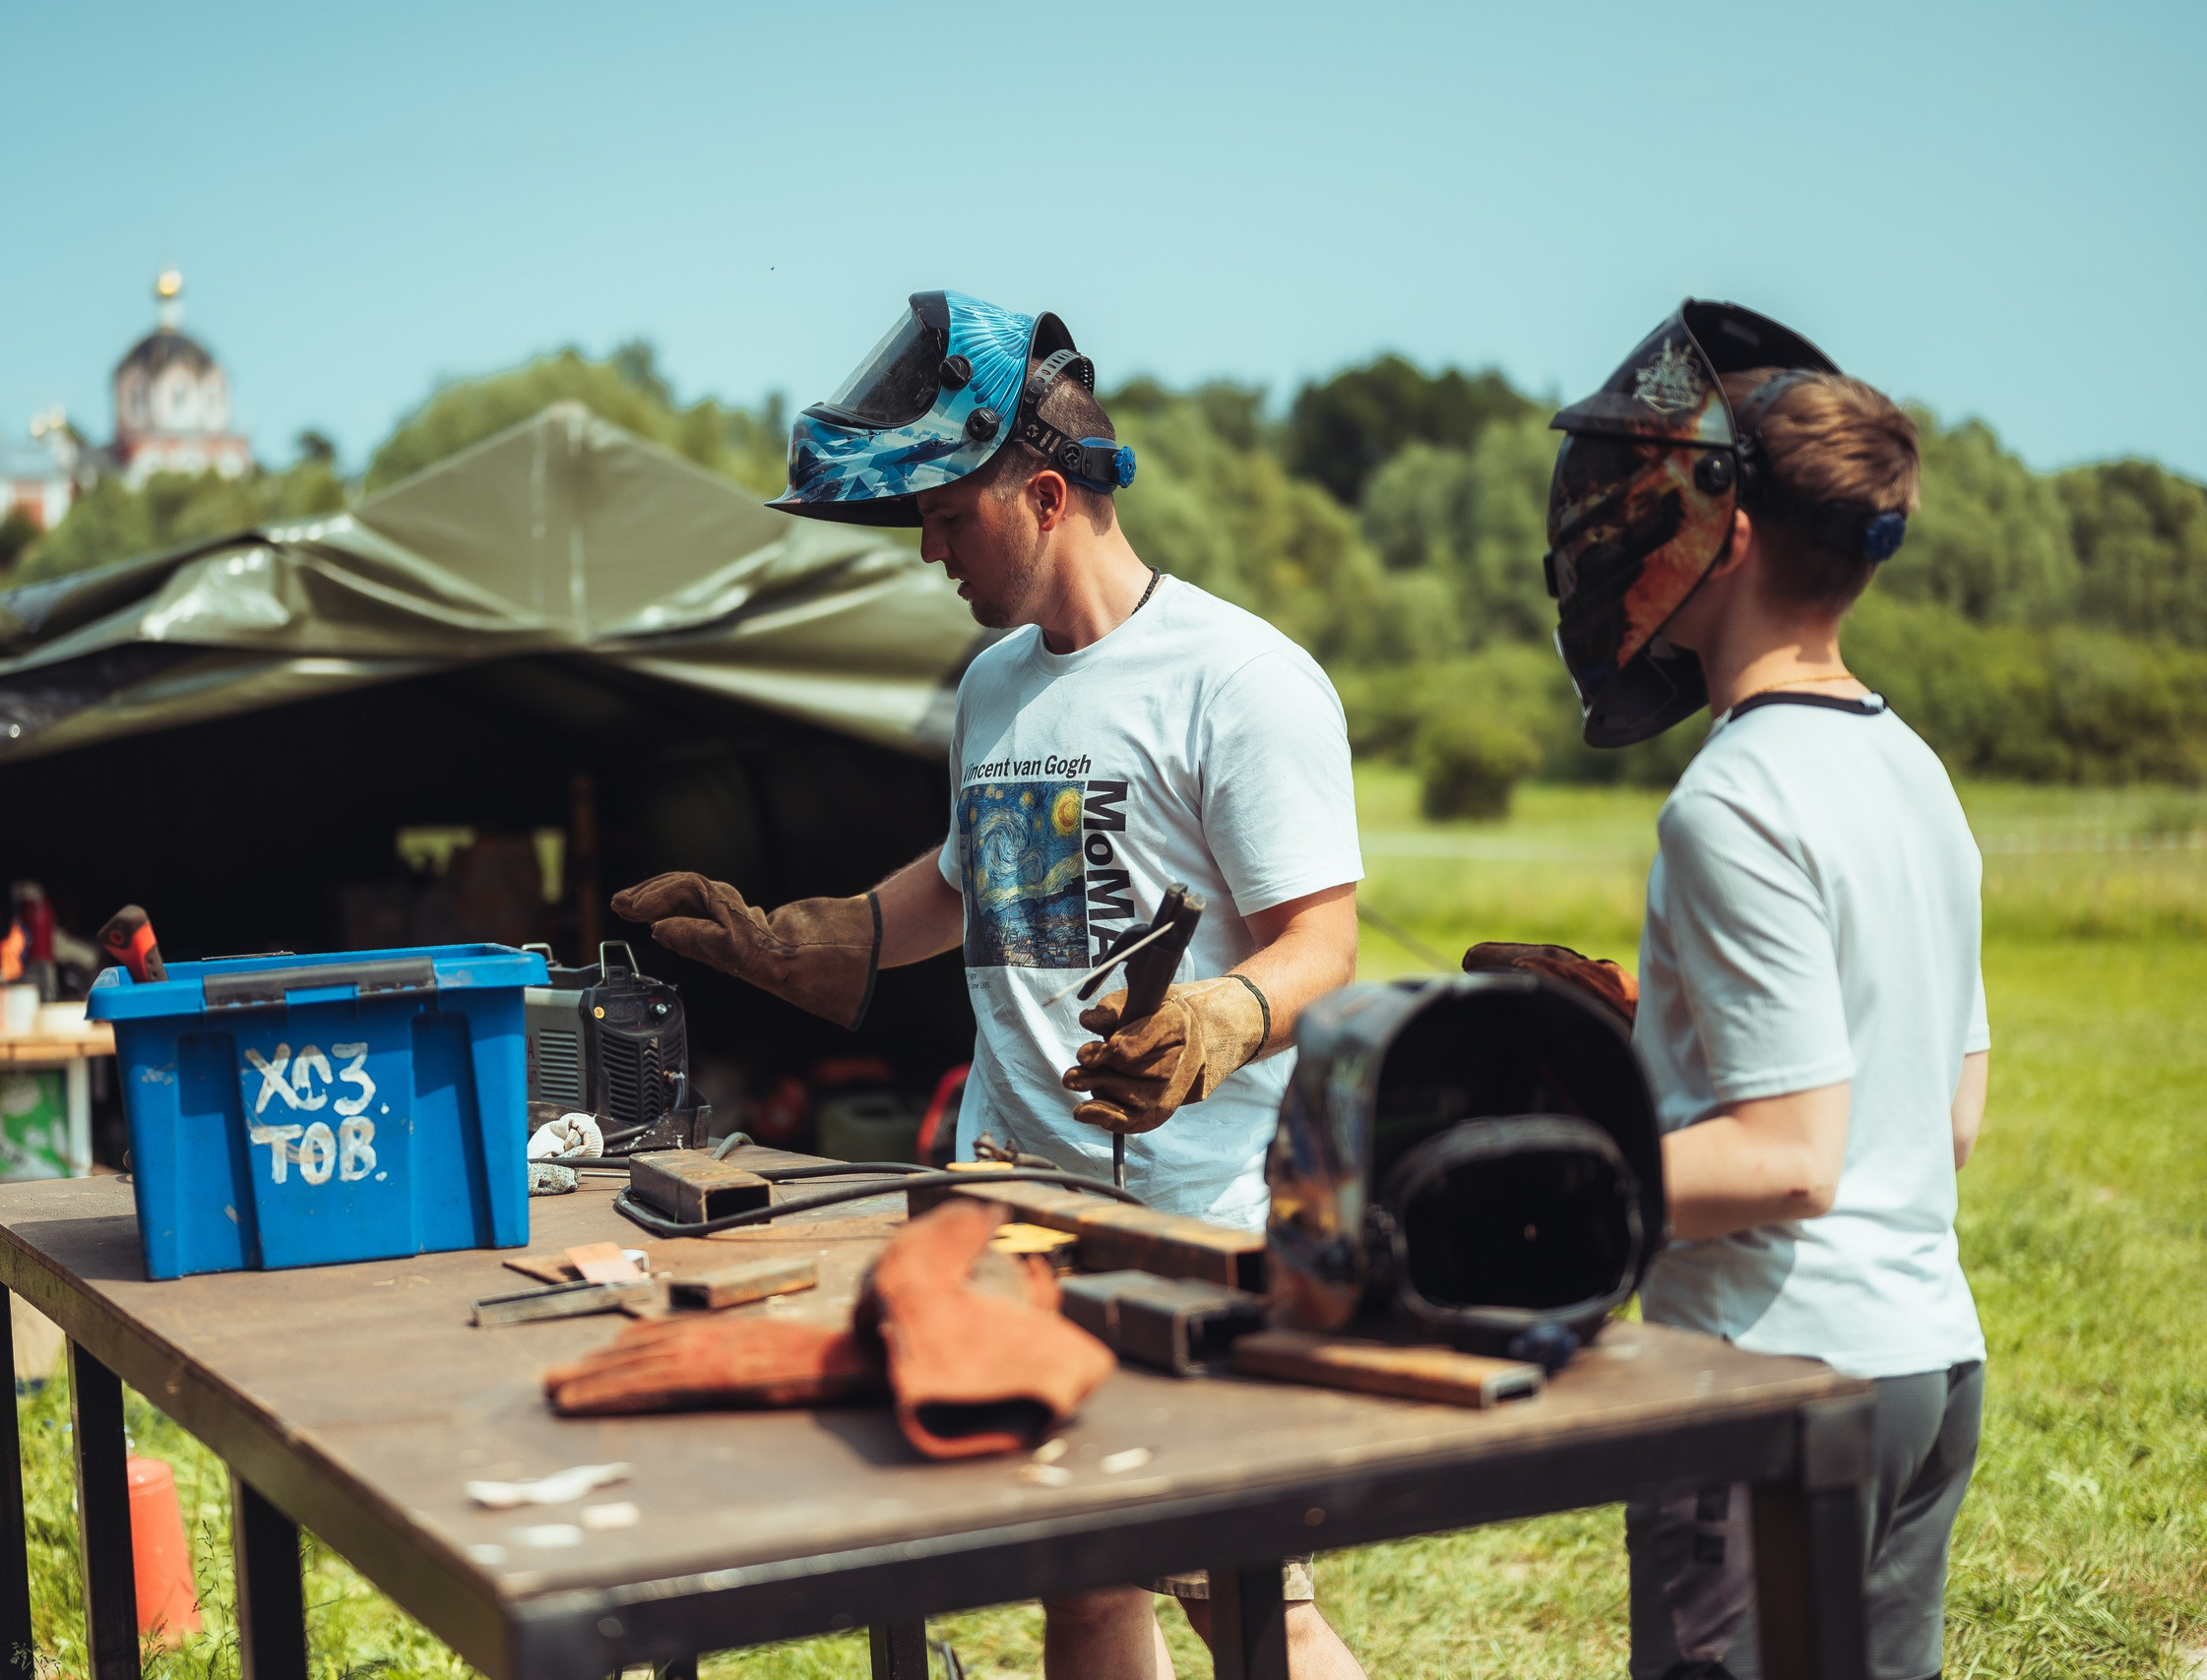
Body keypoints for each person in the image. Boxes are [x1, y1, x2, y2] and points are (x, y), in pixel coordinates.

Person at [611, 291, 1365, 1680]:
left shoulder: (1242, 683)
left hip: (1187, 1227)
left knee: (1252, 1598)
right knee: (1077, 1582)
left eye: (950, 515)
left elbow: (1322, 941)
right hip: (1009, 1213)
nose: (929, 546)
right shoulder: (995, 685)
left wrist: (1220, 1018)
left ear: (1049, 493)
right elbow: (973, 882)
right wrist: (801, 937)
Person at [1542, 301, 1987, 1680]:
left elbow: (1793, 1158)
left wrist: (1567, 1174)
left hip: (1768, 1378)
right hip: (1923, 1367)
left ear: (1723, 527)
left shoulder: (1733, 799)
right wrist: (1665, 1063)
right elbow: (1945, 1111)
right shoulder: (1911, 772)